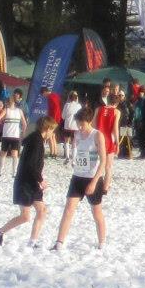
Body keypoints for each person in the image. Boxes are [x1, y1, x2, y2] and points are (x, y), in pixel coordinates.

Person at [51, 103, 112, 250]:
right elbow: (77, 152)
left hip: (93, 178)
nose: (79, 127)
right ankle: (59, 243)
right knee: (68, 208)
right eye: (78, 124)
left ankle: (102, 242)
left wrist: (95, 181)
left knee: (96, 211)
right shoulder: (77, 134)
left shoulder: (97, 135)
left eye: (82, 124)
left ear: (89, 121)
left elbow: (103, 160)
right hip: (77, 176)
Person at [0, 115, 53, 246]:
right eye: (52, 130)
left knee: (42, 211)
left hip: (32, 183)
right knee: (25, 216)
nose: (52, 133)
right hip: (25, 183)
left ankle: (32, 242)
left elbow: (34, 165)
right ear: (47, 128)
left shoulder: (38, 140)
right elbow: (30, 165)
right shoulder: (36, 141)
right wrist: (41, 180)